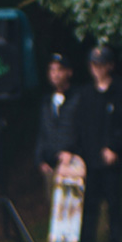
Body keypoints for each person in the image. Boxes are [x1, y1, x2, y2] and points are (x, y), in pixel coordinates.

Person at [70, 44, 122, 242]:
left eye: (101, 64)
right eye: (94, 64)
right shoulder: (85, 94)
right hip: (90, 161)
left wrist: (115, 147)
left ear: (110, 66)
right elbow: (79, 126)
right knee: (89, 207)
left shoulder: (120, 91)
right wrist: (77, 154)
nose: (97, 68)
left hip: (112, 162)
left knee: (115, 206)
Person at [35, 53, 76, 182]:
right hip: (50, 166)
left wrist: (72, 152)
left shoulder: (77, 99)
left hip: (72, 164)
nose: (55, 74)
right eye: (52, 70)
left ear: (69, 72)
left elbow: (83, 130)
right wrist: (40, 160)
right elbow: (42, 133)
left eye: (59, 70)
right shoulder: (46, 103)